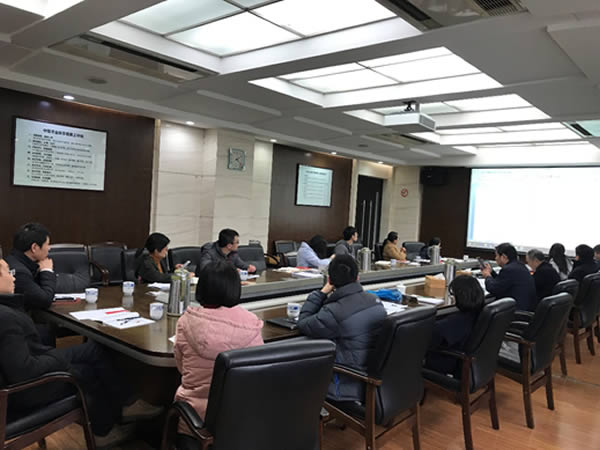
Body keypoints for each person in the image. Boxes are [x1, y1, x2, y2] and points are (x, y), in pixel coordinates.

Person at [0, 257, 162, 449]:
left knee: (94, 352)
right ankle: (106, 428)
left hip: (24, 375)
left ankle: (121, 411)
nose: (13, 278)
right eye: (8, 272)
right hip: (23, 393)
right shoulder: (5, 318)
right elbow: (25, 371)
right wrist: (56, 358)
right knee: (86, 371)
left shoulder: (6, 311)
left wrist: (52, 356)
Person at [174, 261, 263, 449]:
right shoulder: (252, 324)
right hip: (243, 416)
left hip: (197, 419)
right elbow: (257, 374)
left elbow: (181, 367)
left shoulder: (186, 322)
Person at [297, 255, 386, 402]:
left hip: (346, 384)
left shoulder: (333, 312)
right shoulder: (375, 300)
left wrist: (321, 293)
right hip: (375, 379)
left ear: (330, 280)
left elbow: (303, 323)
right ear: (357, 277)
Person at [425, 275, 484, 376]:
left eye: (453, 295)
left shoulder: (455, 322)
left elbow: (430, 340)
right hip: (474, 364)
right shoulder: (480, 314)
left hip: (449, 362)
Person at [5, 223, 55, 310]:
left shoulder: (13, 260)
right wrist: (47, 271)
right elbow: (44, 300)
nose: (49, 248)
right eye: (47, 244)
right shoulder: (20, 273)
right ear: (34, 247)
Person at [482, 243, 537, 311]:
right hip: (525, 307)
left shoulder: (508, 270)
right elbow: (502, 282)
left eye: (496, 256)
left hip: (516, 311)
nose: (495, 258)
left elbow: (493, 289)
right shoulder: (520, 266)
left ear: (504, 257)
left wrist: (487, 276)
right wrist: (491, 272)